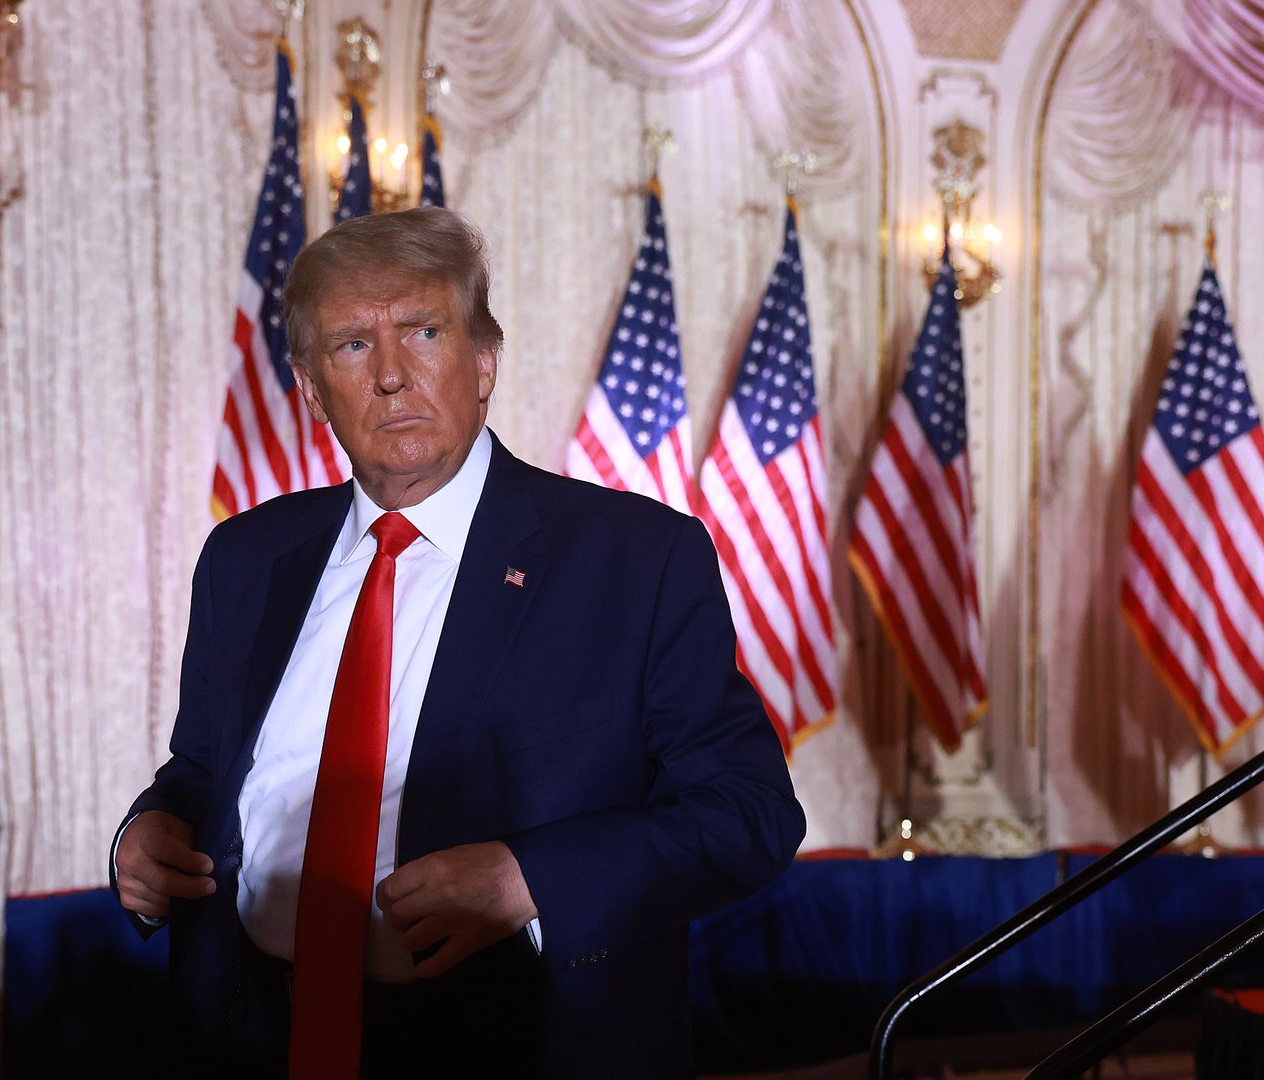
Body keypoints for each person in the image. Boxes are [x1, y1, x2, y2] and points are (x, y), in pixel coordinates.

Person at [112, 206, 803, 1078]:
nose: (393, 375)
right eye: (353, 346)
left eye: (424, 331)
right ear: (312, 384)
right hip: (249, 1032)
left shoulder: (635, 557)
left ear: (483, 362)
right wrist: (146, 833)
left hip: (514, 1044)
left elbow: (749, 814)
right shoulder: (248, 557)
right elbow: (206, 772)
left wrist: (529, 879)